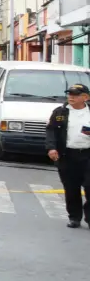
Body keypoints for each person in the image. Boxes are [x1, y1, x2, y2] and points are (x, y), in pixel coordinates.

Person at [44, 83, 90, 228]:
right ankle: (74, 217)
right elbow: (51, 131)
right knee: (71, 188)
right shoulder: (60, 112)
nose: (71, 97)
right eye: (69, 94)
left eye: (75, 95)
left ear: (86, 97)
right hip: (68, 155)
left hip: (88, 155)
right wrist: (51, 148)